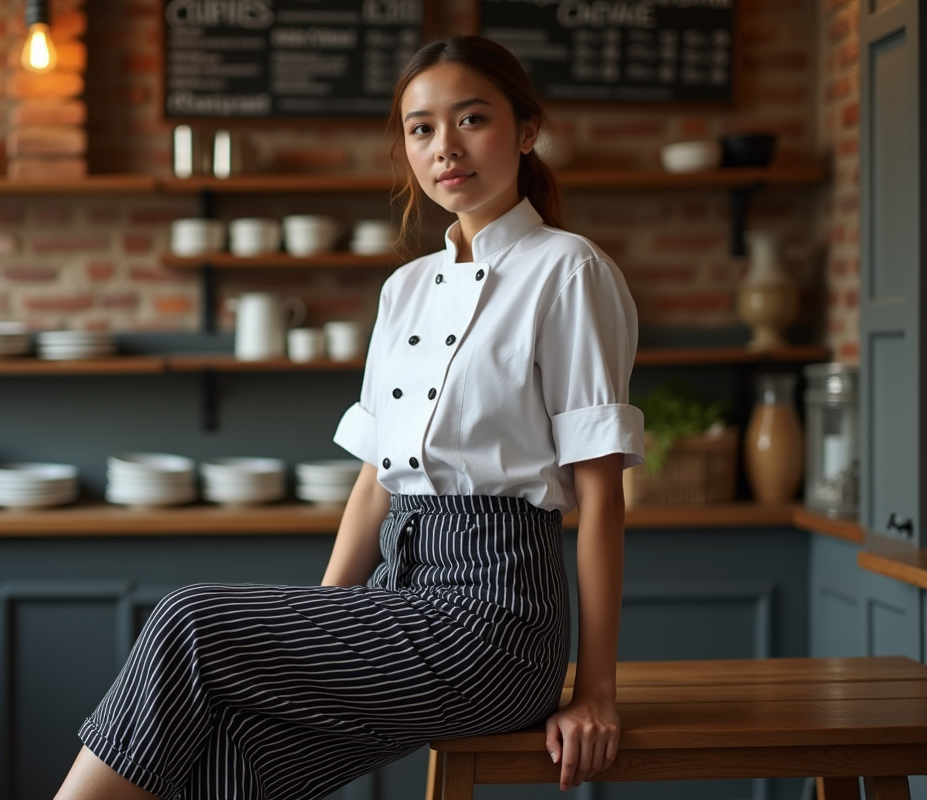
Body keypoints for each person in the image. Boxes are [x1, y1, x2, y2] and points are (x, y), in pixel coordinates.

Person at [55, 35, 644, 800]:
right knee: (228, 761)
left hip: (494, 627)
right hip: (393, 607)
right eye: (421, 128)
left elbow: (600, 497)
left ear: (526, 131)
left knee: (188, 620)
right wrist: (322, 629)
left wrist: (596, 691)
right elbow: (375, 485)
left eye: (471, 120)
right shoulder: (405, 289)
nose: (445, 148)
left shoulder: (570, 271)